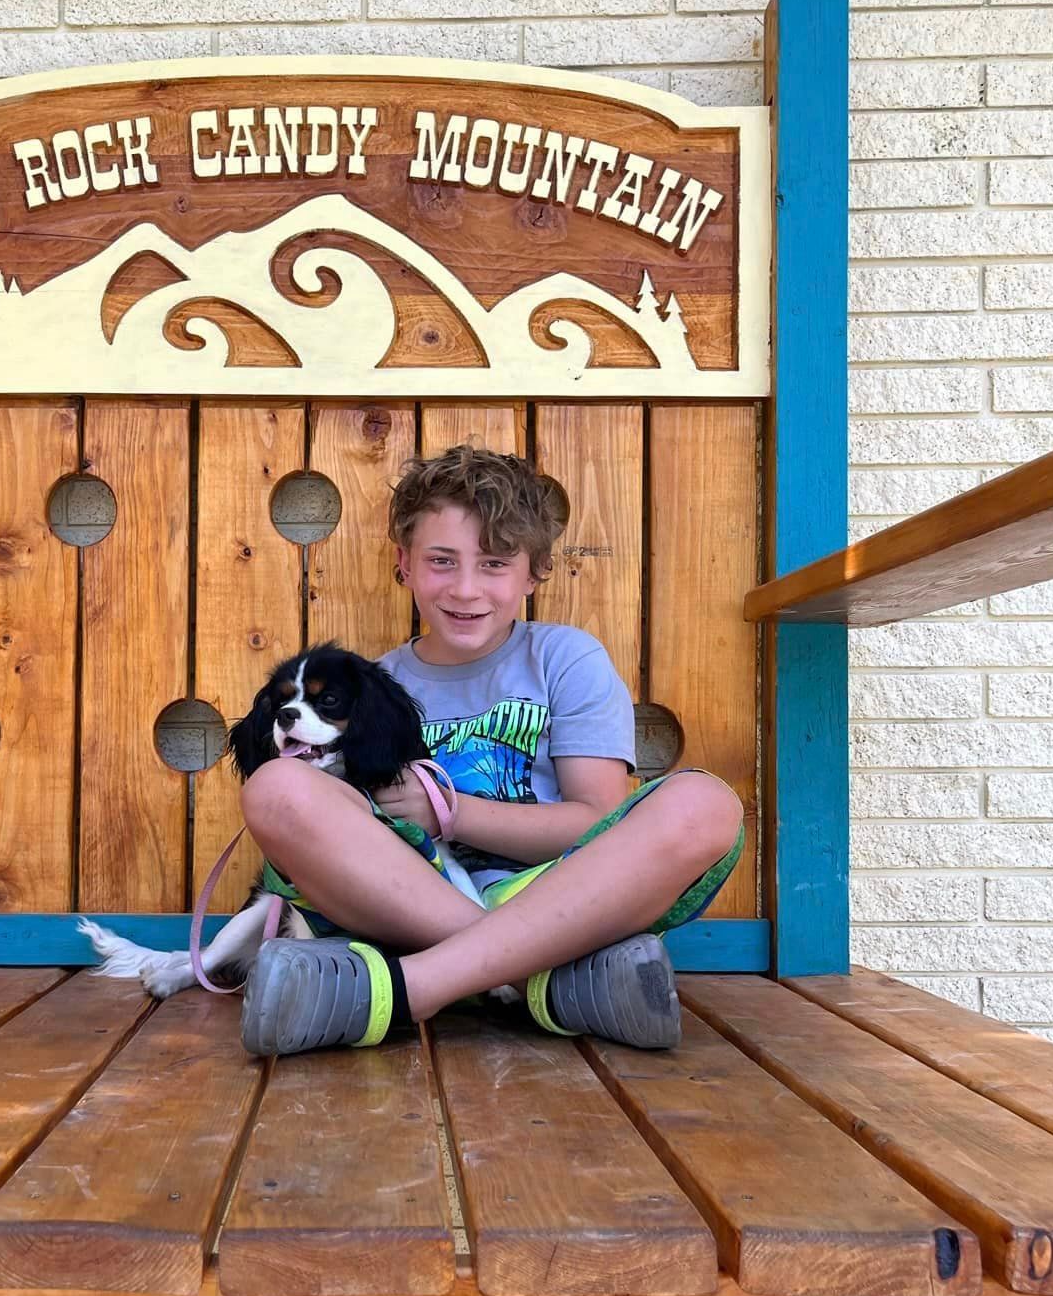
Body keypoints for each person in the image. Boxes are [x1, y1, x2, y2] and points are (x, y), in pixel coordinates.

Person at [238, 441, 747, 1057]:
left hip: (553, 893)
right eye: (442, 561)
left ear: (534, 571)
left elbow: (597, 825)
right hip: (411, 900)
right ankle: (546, 982)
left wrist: (449, 814)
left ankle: (414, 989)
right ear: (404, 563)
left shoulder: (565, 658)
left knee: (706, 804)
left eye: (495, 563)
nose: (467, 588)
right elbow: (336, 832)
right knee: (273, 788)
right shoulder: (364, 688)